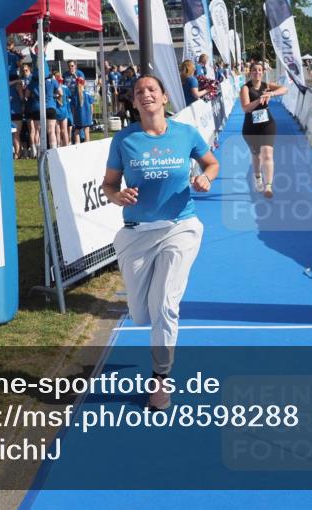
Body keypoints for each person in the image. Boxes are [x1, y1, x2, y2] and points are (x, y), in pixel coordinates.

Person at [102, 75, 219, 410]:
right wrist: (118, 196)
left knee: (166, 303)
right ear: (134, 102)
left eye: (152, 89)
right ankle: (156, 341)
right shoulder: (124, 140)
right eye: (139, 92)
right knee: (141, 315)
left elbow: (211, 163)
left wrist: (205, 178)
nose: (146, 94)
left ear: (164, 97)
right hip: (137, 233)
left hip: (180, 228)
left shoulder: (185, 134)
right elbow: (108, 185)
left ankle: (160, 378)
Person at [240, 60, 287, 198]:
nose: (257, 72)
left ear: (263, 72)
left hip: (267, 124)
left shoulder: (266, 86)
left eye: (260, 70)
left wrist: (271, 94)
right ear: (250, 73)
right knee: (256, 155)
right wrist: (259, 99)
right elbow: (246, 108)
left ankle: (268, 186)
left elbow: (285, 89)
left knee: (267, 154)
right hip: (251, 127)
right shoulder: (245, 88)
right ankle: (258, 177)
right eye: (254, 70)